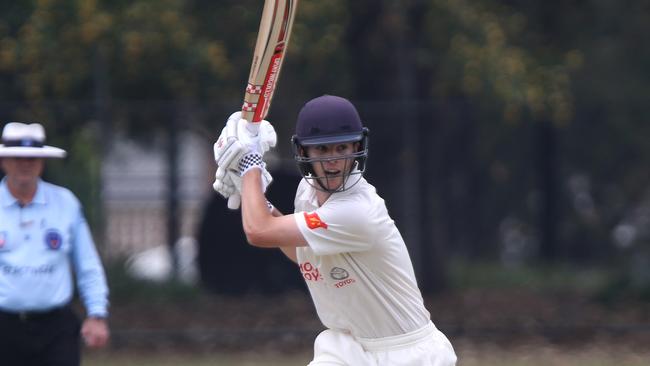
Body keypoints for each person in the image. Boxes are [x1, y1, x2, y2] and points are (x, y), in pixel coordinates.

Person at [213, 95, 457, 365]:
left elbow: (258, 232)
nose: (333, 161)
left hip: (408, 354)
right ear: (303, 152)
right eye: (322, 150)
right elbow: (304, 253)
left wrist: (250, 167)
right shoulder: (307, 193)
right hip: (350, 348)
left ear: (357, 146)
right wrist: (257, 197)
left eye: (341, 148)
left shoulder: (357, 211)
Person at [0, 122, 110, 366]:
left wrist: (96, 314)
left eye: (32, 159)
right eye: (18, 158)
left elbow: (87, 264)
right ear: (4, 161)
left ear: (42, 162)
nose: (25, 165)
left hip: (55, 329)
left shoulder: (65, 203)